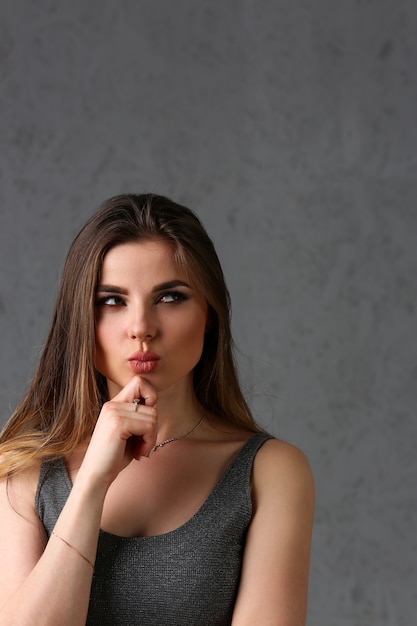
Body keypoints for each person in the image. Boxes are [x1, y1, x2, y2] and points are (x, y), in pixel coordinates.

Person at [0, 193, 314, 626]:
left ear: (209, 314)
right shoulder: (24, 471)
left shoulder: (269, 471)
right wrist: (92, 481)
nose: (141, 328)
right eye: (111, 300)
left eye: (169, 297)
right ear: (79, 321)